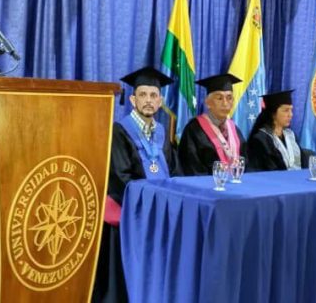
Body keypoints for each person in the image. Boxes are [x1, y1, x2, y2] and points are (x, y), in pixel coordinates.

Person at [94, 66, 179, 303]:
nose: (149, 100)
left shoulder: (161, 132)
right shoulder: (120, 131)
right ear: (132, 100)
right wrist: (151, 202)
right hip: (129, 212)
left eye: (153, 95)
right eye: (143, 95)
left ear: (160, 100)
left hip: (159, 209)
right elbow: (120, 177)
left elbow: (174, 171)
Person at [178, 73, 247, 175]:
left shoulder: (234, 129)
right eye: (219, 98)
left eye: (229, 98)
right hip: (206, 187)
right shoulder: (193, 130)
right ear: (208, 102)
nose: (225, 103)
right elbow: (190, 168)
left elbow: (245, 162)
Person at [247, 90, 310, 171]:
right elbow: (269, 170)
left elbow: (303, 163)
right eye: (286, 110)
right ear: (273, 113)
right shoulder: (260, 139)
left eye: (291, 110)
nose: (290, 115)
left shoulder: (291, 135)